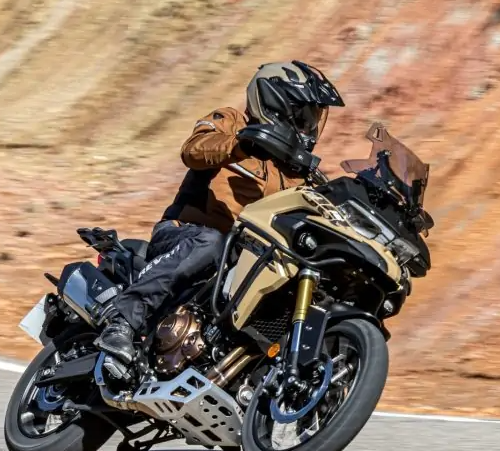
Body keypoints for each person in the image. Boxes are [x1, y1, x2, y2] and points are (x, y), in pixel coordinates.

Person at [93, 60, 346, 370]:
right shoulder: (233, 122)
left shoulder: (300, 175)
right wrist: (243, 144)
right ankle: (121, 322)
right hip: (186, 234)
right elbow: (193, 150)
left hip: (246, 260)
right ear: (277, 104)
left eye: (314, 118)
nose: (310, 126)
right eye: (305, 115)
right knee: (212, 242)